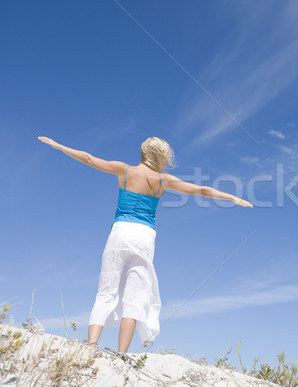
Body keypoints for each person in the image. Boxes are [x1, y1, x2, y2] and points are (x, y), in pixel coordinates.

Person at [37, 136, 253, 353]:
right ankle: (121, 354)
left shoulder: (124, 170)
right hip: (144, 236)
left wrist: (59, 146)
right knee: (134, 295)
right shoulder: (163, 180)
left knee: (106, 291)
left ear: (142, 153)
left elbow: (88, 158)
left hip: (120, 232)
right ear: (162, 156)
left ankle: (90, 347)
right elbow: (202, 191)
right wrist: (232, 197)